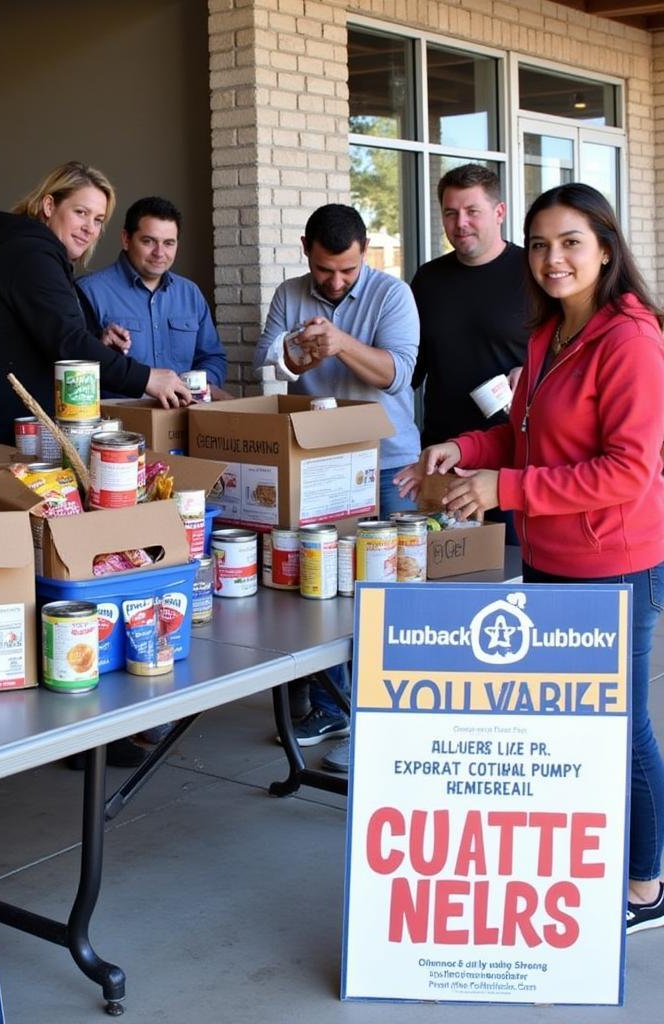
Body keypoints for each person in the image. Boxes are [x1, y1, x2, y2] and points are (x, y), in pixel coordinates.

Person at [394, 182, 664, 934]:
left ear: (605, 248)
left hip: (616, 563)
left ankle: (647, 886)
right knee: (573, 725)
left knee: (621, 727)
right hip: (551, 557)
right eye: (542, 244)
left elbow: (626, 472)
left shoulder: (633, 340)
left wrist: (501, 488)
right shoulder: (548, 333)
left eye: (571, 242)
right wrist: (461, 448)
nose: (553, 258)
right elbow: (521, 434)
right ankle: (596, 857)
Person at [254, 204, 421, 762]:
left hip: (388, 461)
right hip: (317, 463)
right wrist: (302, 349)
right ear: (306, 249)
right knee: (323, 585)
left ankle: (388, 706)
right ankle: (334, 703)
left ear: (364, 252)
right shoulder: (289, 292)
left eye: (347, 270)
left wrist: (341, 342)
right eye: (326, 269)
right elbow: (270, 363)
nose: (335, 281)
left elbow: (397, 373)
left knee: (386, 591)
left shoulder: (392, 294)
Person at [0, 162, 191, 445]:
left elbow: (43, 336)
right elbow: (67, 342)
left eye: (98, 220)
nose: (89, 228)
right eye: (81, 212)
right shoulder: (32, 256)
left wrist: (95, 342)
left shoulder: (33, 253)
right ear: (48, 206)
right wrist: (146, 378)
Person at [411, 164, 529, 542]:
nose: (460, 223)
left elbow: (566, 353)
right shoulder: (428, 279)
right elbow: (412, 368)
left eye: (472, 211)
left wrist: (531, 372)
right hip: (444, 457)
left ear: (499, 212)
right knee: (446, 577)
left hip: (513, 462)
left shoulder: (534, 273)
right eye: (450, 212)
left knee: (513, 579)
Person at [78, 196, 228, 397]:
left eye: (169, 243)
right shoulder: (88, 291)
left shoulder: (190, 293)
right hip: (119, 422)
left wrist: (202, 385)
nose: (160, 252)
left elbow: (213, 356)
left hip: (185, 417)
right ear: (126, 239)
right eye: (148, 241)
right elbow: (74, 366)